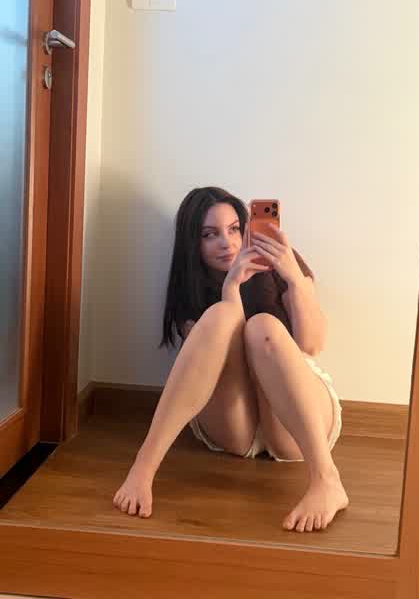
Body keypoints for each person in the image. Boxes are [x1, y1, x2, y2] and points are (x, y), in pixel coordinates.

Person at [113, 187, 349, 532]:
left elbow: (311, 346)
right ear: (193, 244)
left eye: (234, 229)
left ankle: (327, 479)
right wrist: (231, 290)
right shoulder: (190, 285)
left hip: (296, 424)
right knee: (223, 315)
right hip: (236, 427)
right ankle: (143, 467)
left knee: (262, 326)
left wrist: (294, 279)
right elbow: (199, 373)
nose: (226, 242)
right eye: (210, 235)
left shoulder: (281, 260)